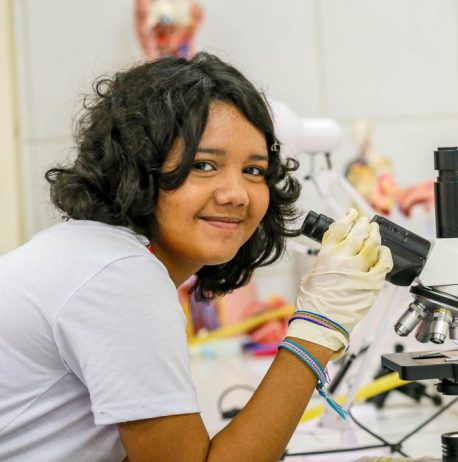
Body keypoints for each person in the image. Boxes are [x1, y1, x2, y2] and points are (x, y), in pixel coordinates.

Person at [0, 52, 392, 461]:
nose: (236, 194)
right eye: (203, 165)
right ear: (139, 167)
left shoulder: (88, 252)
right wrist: (317, 330)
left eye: (254, 170)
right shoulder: (119, 277)